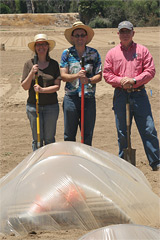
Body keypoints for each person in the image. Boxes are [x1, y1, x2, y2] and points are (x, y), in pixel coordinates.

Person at [103, 20, 160, 171]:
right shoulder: (112, 53)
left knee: (148, 129)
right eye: (122, 32)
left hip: (139, 94)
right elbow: (107, 74)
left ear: (133, 33)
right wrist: (120, 81)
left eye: (128, 31)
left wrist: (134, 80)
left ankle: (155, 162)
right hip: (121, 95)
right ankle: (124, 163)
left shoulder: (143, 51)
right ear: (118, 34)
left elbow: (150, 71)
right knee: (122, 131)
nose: (125, 34)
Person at [60, 21, 102, 146]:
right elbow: (63, 76)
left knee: (87, 134)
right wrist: (77, 76)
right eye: (77, 35)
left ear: (86, 37)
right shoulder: (66, 53)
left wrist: (88, 80)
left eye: (82, 35)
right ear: (72, 37)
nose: (80, 38)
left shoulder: (94, 53)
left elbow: (99, 76)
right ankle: (70, 161)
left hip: (88, 98)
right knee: (69, 134)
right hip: (71, 99)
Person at [21, 34, 61, 151]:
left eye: (43, 44)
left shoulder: (54, 64)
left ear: (48, 46)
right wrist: (32, 73)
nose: (41, 47)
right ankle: (37, 164)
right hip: (34, 107)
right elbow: (25, 86)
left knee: (49, 139)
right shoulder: (29, 64)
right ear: (35, 48)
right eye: (38, 44)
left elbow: (57, 86)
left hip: (51, 107)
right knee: (37, 139)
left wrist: (42, 90)